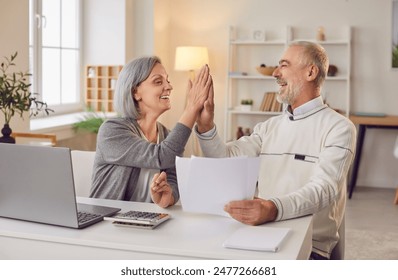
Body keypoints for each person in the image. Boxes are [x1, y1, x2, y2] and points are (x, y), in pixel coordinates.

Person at [195, 41, 356, 259]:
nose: (275, 73)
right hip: (261, 234)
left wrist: (273, 208)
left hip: (310, 246)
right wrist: (206, 126)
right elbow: (226, 159)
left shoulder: (339, 127)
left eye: (284, 65)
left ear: (311, 72)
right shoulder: (268, 127)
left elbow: (324, 189)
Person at [90, 56, 212, 208]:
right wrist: (191, 109)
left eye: (167, 80)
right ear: (135, 92)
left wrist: (168, 196)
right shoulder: (112, 131)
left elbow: (173, 179)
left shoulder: (166, 136)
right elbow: (162, 156)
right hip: (106, 221)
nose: (169, 87)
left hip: (144, 221)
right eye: (158, 81)